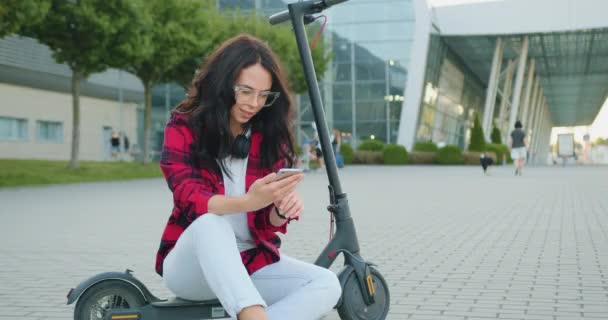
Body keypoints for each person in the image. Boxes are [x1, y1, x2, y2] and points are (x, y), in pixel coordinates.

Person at [156, 34, 341, 320]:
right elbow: (189, 198)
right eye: (245, 91)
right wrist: (249, 201)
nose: (254, 103)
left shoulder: (270, 138)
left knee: (327, 283)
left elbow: (264, 226)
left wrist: (279, 210)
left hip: (249, 264)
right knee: (210, 223)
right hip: (193, 269)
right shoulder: (183, 125)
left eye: (264, 95)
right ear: (222, 83)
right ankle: (252, 314)